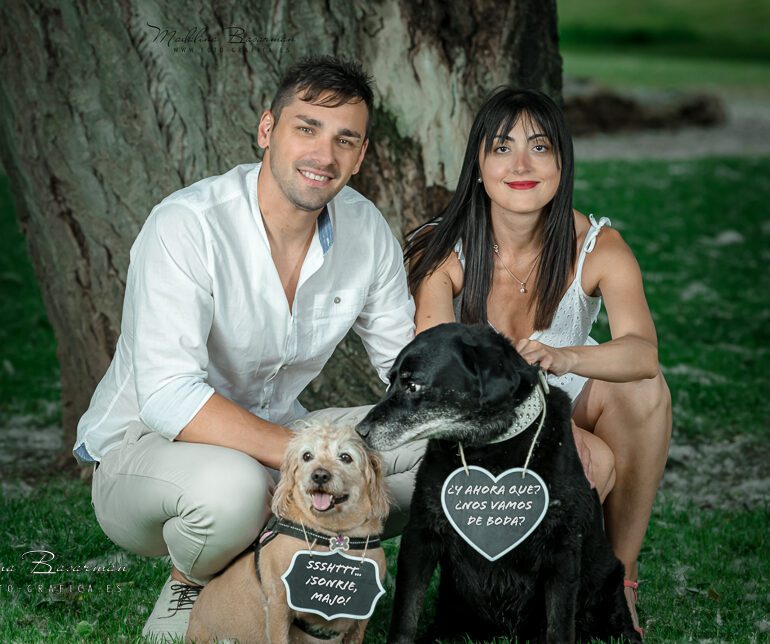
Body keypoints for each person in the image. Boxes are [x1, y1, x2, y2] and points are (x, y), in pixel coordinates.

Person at [73, 56, 420, 640]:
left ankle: (299, 570)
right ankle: (190, 582)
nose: (323, 155)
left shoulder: (366, 230)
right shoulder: (186, 225)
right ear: (267, 130)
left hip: (280, 435)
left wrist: (528, 424)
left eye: (345, 140)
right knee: (234, 489)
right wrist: (306, 456)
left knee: (434, 452)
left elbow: (407, 370)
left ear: (359, 157)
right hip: (149, 450)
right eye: (305, 128)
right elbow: (167, 397)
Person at [405, 87, 671, 635]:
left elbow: (643, 354)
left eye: (539, 148)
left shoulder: (599, 247)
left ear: (561, 163)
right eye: (502, 148)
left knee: (646, 391)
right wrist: (537, 422)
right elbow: (437, 353)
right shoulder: (442, 249)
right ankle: (512, 584)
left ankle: (621, 577)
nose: (521, 165)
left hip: (567, 395)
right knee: (592, 463)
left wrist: (566, 355)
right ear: (478, 165)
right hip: (480, 417)